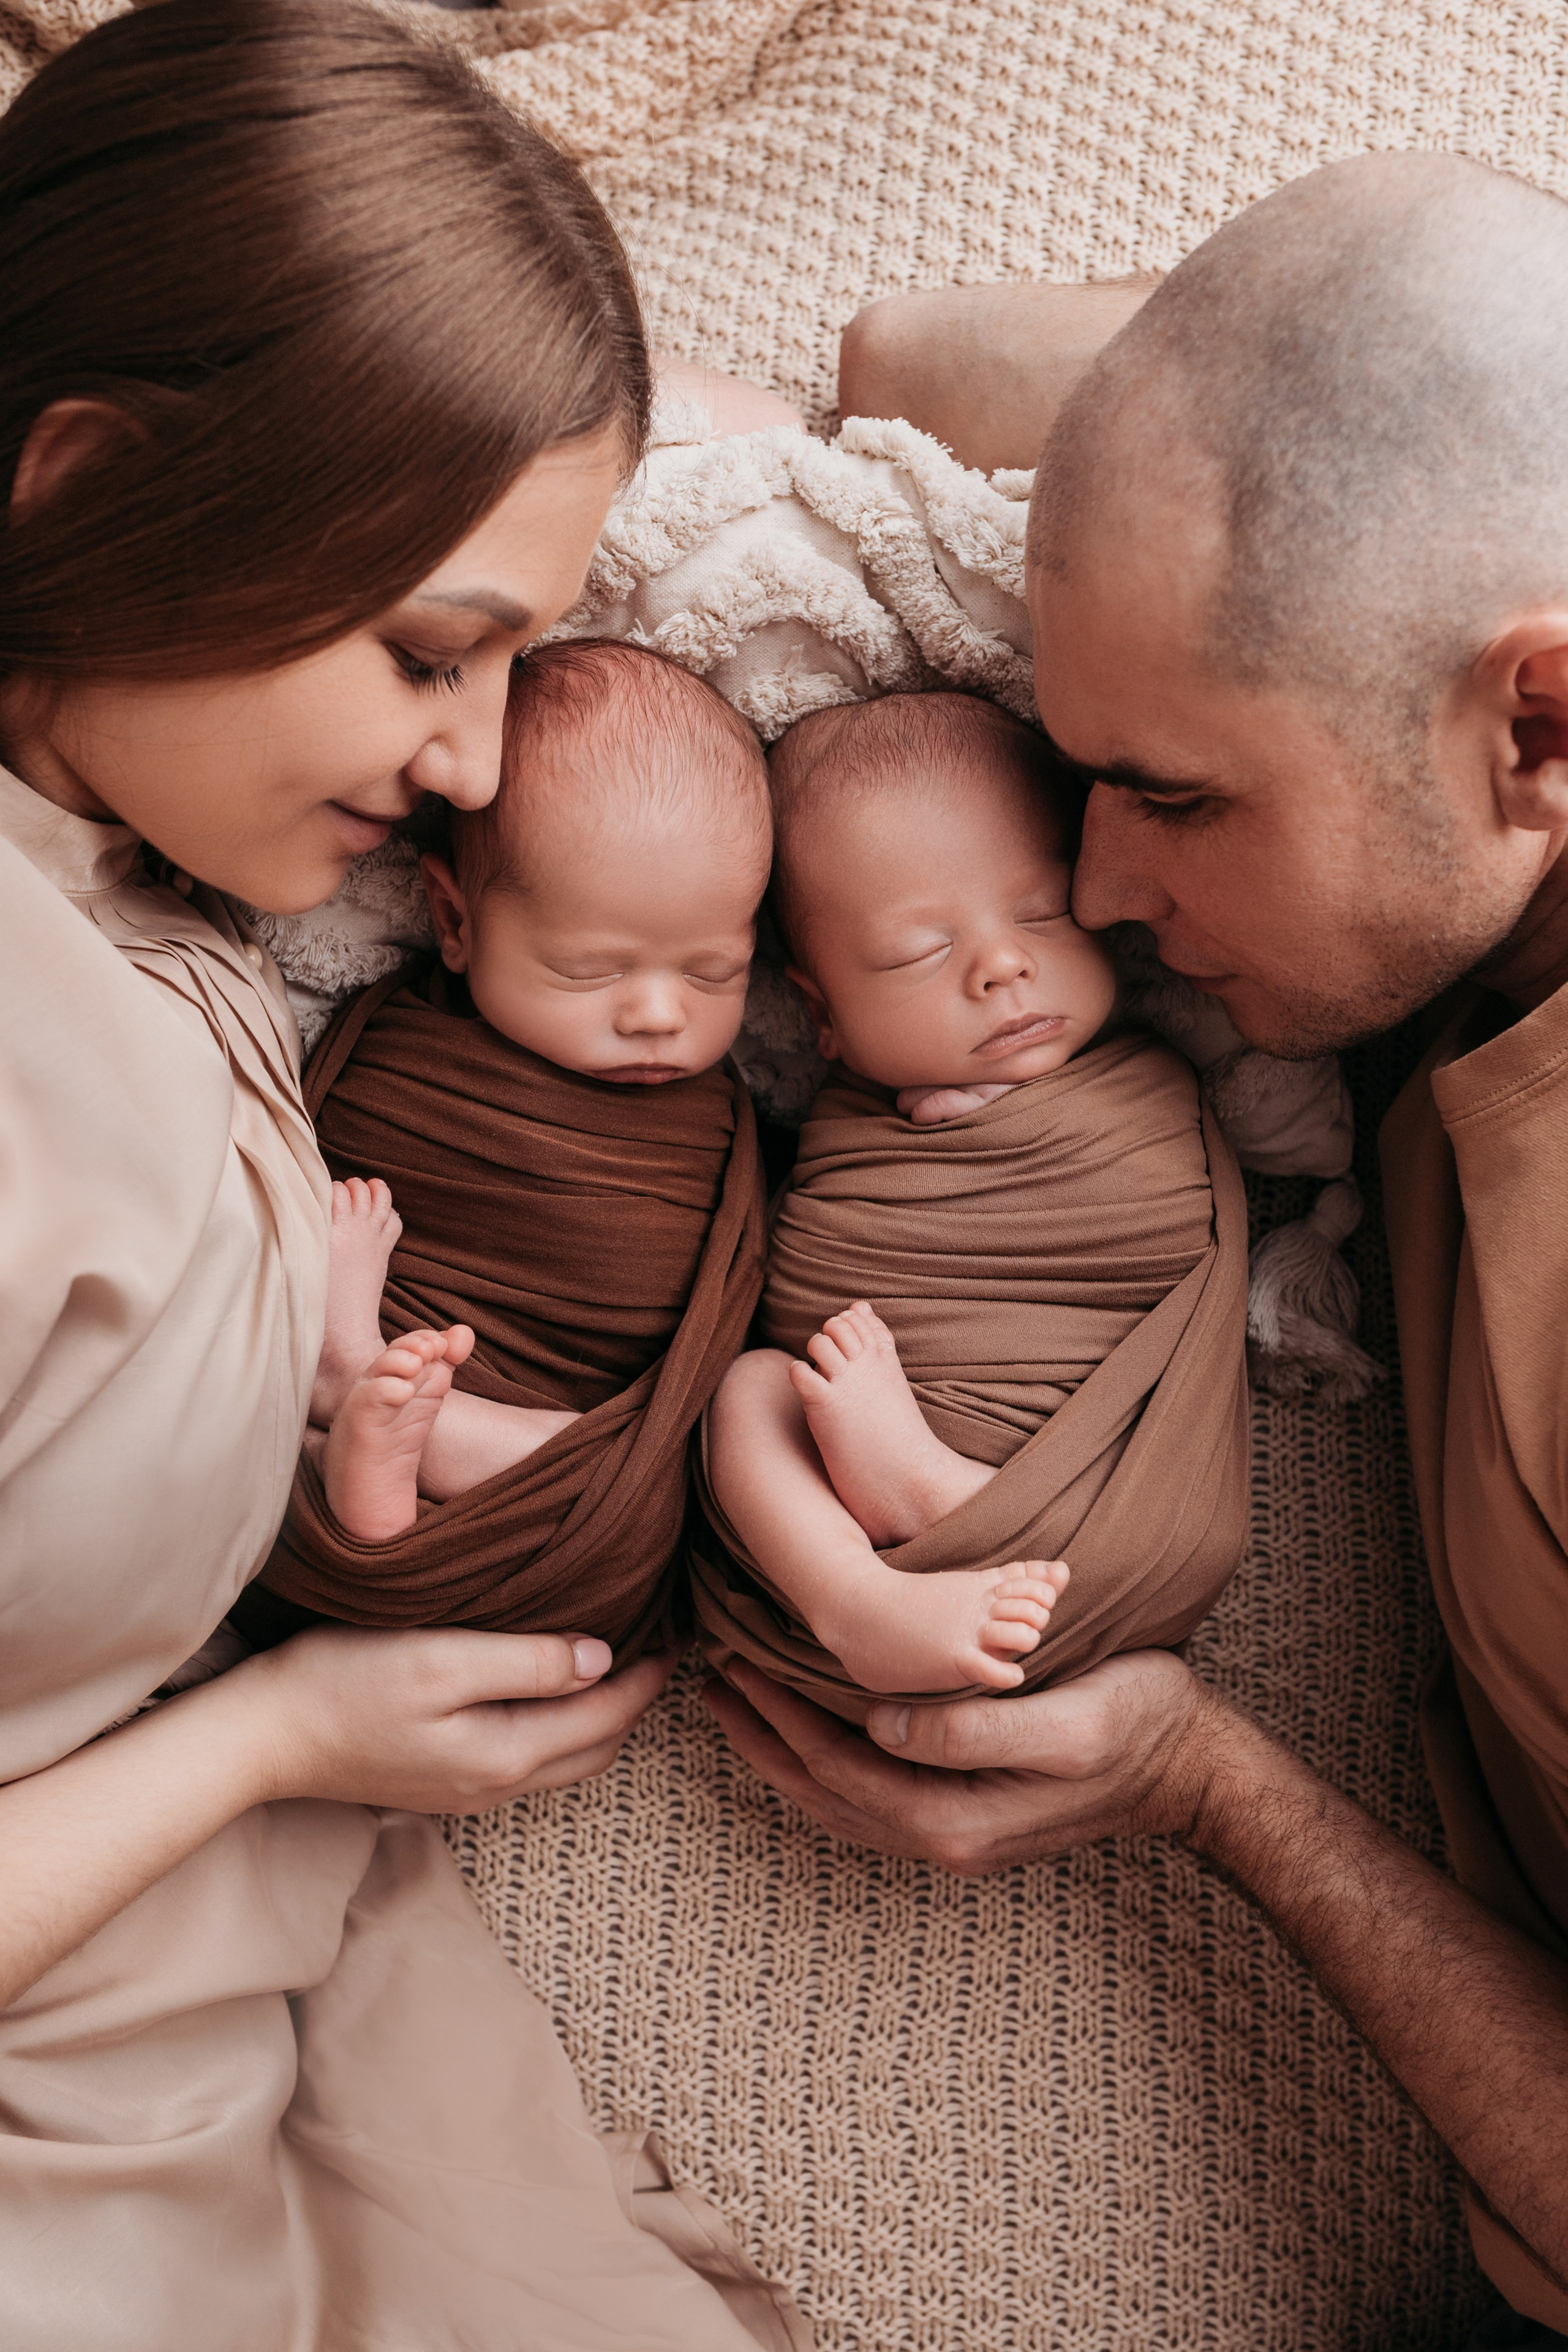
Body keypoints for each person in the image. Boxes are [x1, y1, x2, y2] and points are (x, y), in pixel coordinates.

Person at [0, 6, 805, 2348]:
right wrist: (281, 1738)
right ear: (76, 485)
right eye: (434, 658)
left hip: (252, 1972)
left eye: (522, 650)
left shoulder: (128, 834)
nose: (479, 765)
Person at [710, 151, 1568, 2337]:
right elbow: (914, 366)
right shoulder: (1440, 804)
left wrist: (1211, 1781)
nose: (1088, 890)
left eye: (1176, 799)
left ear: (1538, 727)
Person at [701, 688, 1242, 1700]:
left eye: (1042, 913)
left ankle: (946, 1496)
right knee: (748, 1396)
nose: (1004, 964)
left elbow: (1167, 1234)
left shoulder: (1148, 1087)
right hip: (852, 1495)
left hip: (1103, 1497)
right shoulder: (831, 1133)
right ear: (819, 1014)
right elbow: (804, 1267)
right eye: (920, 952)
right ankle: (854, 1601)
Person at [304, 639, 771, 1556]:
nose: (659, 1014)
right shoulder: (405, 1062)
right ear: (453, 921)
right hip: (395, 1381)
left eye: (718, 971)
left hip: (553, 1478)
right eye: (589, 970)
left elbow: (731, 1304)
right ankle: (348, 1389)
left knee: (661, 1474)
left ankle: (371, 1426)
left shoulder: (720, 1124)